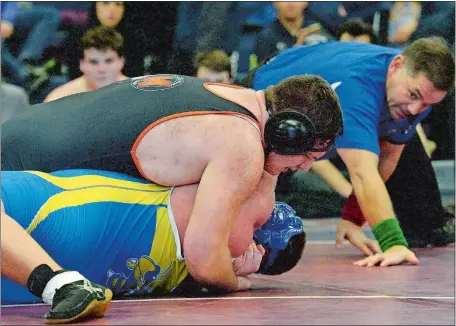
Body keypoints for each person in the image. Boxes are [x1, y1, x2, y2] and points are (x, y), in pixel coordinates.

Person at [2, 73, 343, 297]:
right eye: (308, 155)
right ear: (287, 131)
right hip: (28, 164)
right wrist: (234, 281)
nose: (304, 167)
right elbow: (203, 258)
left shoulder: (231, 98)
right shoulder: (243, 145)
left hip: (25, 136)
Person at [242, 37, 455, 266]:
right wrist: (392, 244)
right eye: (414, 95)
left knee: (408, 152)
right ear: (396, 66)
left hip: (313, 105)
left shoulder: (415, 93)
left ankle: (426, 228)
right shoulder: (357, 89)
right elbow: (363, 174)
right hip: (259, 96)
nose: (416, 109)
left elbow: (388, 156)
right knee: (245, 199)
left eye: (427, 104)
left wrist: (353, 218)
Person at [2, 169, 306, 322]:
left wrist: (228, 280)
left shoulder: (191, 277)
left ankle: (58, 284)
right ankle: (58, 283)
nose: (243, 244)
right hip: (42, 208)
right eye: (252, 222)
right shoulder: (204, 182)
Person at [44, 26, 127, 102]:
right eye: (93, 62)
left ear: (121, 62)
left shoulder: (138, 96)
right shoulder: (58, 100)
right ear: (82, 64)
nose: (102, 69)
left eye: (109, 61)